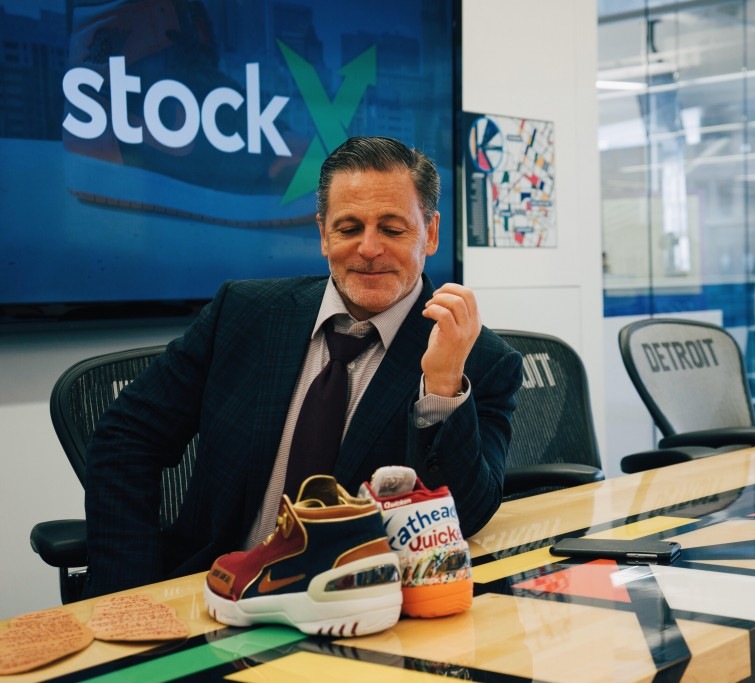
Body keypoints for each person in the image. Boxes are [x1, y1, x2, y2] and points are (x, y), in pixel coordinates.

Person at [83, 136, 524, 598]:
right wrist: (127, 592)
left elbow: (466, 517)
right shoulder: (243, 313)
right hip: (217, 595)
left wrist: (441, 387)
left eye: (392, 229)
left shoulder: (480, 361)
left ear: (430, 233)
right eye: (348, 228)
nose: (368, 248)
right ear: (323, 235)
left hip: (363, 606)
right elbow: (125, 438)